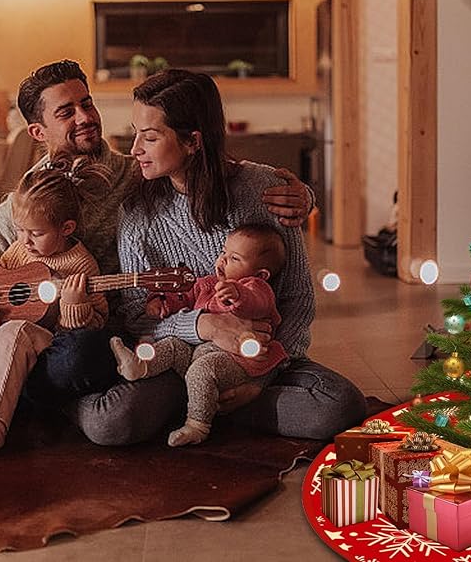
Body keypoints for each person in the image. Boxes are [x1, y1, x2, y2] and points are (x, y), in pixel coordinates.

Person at [0, 60, 324, 445]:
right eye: (67, 112)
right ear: (38, 131)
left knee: (87, 358)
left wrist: (304, 196)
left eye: (88, 103)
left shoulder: (136, 176)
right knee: (77, 370)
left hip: (125, 332)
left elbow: (215, 174)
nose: (85, 117)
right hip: (86, 335)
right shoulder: (21, 205)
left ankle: (201, 395)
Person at [109, 68, 365, 444]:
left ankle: (209, 409)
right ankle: (208, 404)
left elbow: (297, 300)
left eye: (149, 137)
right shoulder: (136, 214)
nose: (135, 149)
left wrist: (258, 381)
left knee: (341, 405)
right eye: (135, 133)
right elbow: (135, 317)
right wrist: (204, 326)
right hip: (174, 360)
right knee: (115, 422)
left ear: (192, 141)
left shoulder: (263, 190)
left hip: (254, 361)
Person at [110, 223, 288, 447]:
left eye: (234, 259)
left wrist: (238, 294)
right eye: (223, 252)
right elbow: (185, 295)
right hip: (197, 350)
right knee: (173, 345)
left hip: (236, 360)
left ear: (260, 273)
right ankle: (139, 366)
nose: (222, 260)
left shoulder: (257, 287)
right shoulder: (209, 284)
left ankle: (197, 425)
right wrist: (161, 302)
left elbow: (258, 303)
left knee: (201, 372)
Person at [0, 153, 110, 450]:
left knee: (17, 331)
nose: (25, 241)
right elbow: (2, 283)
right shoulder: (21, 252)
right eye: (20, 230)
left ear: (67, 228)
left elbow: (97, 323)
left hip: (49, 348)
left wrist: (74, 306)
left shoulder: (82, 265)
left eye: (36, 233)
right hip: (9, 349)